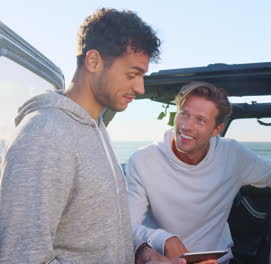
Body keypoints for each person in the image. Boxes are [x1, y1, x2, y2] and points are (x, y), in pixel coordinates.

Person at [0, 8, 163, 264]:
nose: (139, 88)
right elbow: (21, 256)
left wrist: (141, 251)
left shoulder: (96, 128)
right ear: (94, 61)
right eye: (132, 75)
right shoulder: (44, 135)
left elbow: (96, 229)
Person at [126, 81, 271, 264]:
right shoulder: (142, 160)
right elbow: (127, 226)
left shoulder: (234, 156)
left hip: (218, 261)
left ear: (216, 130)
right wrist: (162, 238)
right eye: (184, 115)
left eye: (200, 120)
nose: (187, 126)